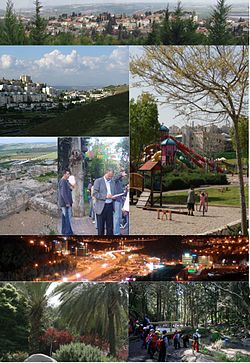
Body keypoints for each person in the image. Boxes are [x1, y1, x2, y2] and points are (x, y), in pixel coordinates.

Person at [93, 168, 115, 235]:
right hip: (101, 207)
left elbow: (113, 192)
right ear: (105, 173)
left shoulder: (112, 182)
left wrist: (114, 196)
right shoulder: (98, 181)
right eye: (109, 176)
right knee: (101, 228)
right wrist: (105, 196)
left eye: (111, 176)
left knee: (110, 227)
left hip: (110, 206)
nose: (110, 178)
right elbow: (95, 193)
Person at [59, 169, 73, 235]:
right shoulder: (63, 181)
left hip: (66, 203)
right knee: (68, 218)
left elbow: (70, 188)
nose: (69, 175)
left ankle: (64, 231)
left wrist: (71, 188)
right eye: (67, 174)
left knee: (65, 218)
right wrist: (67, 202)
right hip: (65, 204)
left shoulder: (66, 181)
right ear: (64, 174)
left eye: (69, 174)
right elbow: (63, 193)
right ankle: (68, 233)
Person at [113, 168, 127, 235]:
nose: (124, 176)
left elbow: (121, 192)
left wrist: (125, 191)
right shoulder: (115, 180)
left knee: (119, 217)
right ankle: (116, 233)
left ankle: (117, 232)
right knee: (116, 217)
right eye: (123, 174)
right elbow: (116, 178)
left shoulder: (120, 182)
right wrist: (121, 174)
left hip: (120, 200)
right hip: (116, 201)